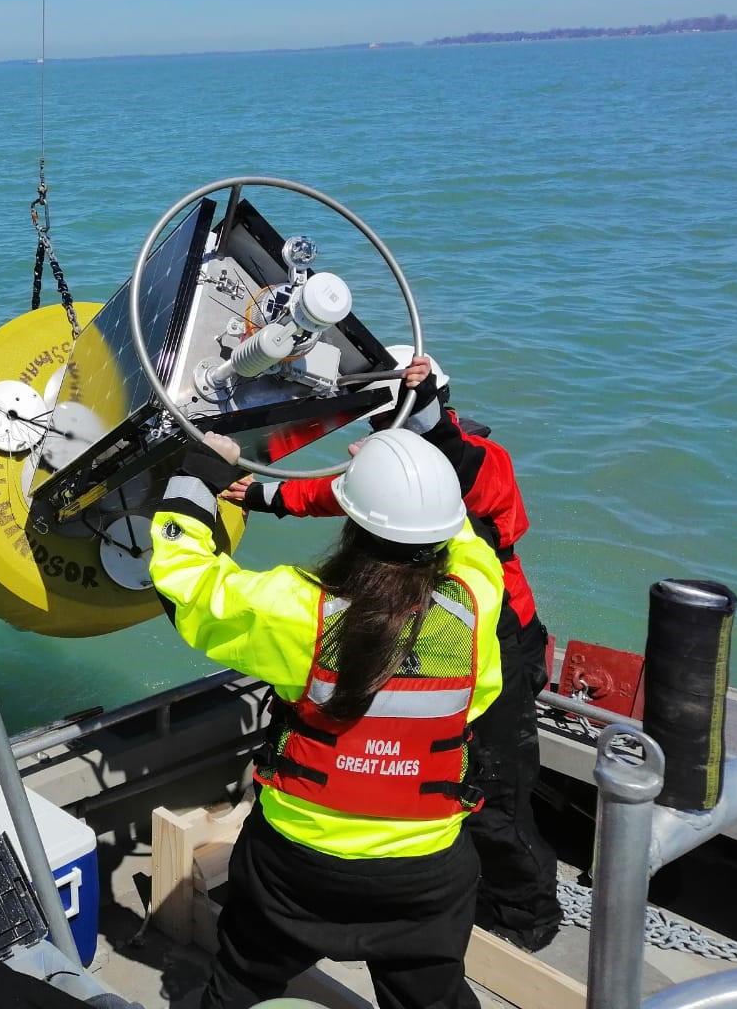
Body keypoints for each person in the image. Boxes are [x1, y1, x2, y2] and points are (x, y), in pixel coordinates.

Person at [151, 428, 504, 1009]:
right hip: (426, 873)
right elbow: (463, 542)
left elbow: (188, 586)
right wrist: (408, 475)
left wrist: (197, 475)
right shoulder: (475, 599)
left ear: (350, 520)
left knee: (239, 982)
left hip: (295, 867)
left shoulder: (298, 609)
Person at [224, 347, 561, 951]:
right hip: (420, 636)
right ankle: (429, 881)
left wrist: (421, 405)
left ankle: (524, 916)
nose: (376, 444)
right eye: (378, 428)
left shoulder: (481, 462)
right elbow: (331, 494)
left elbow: (451, 464)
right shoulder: (394, 474)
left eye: (390, 424)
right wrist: (252, 495)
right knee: (428, 770)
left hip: (496, 642)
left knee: (497, 793)